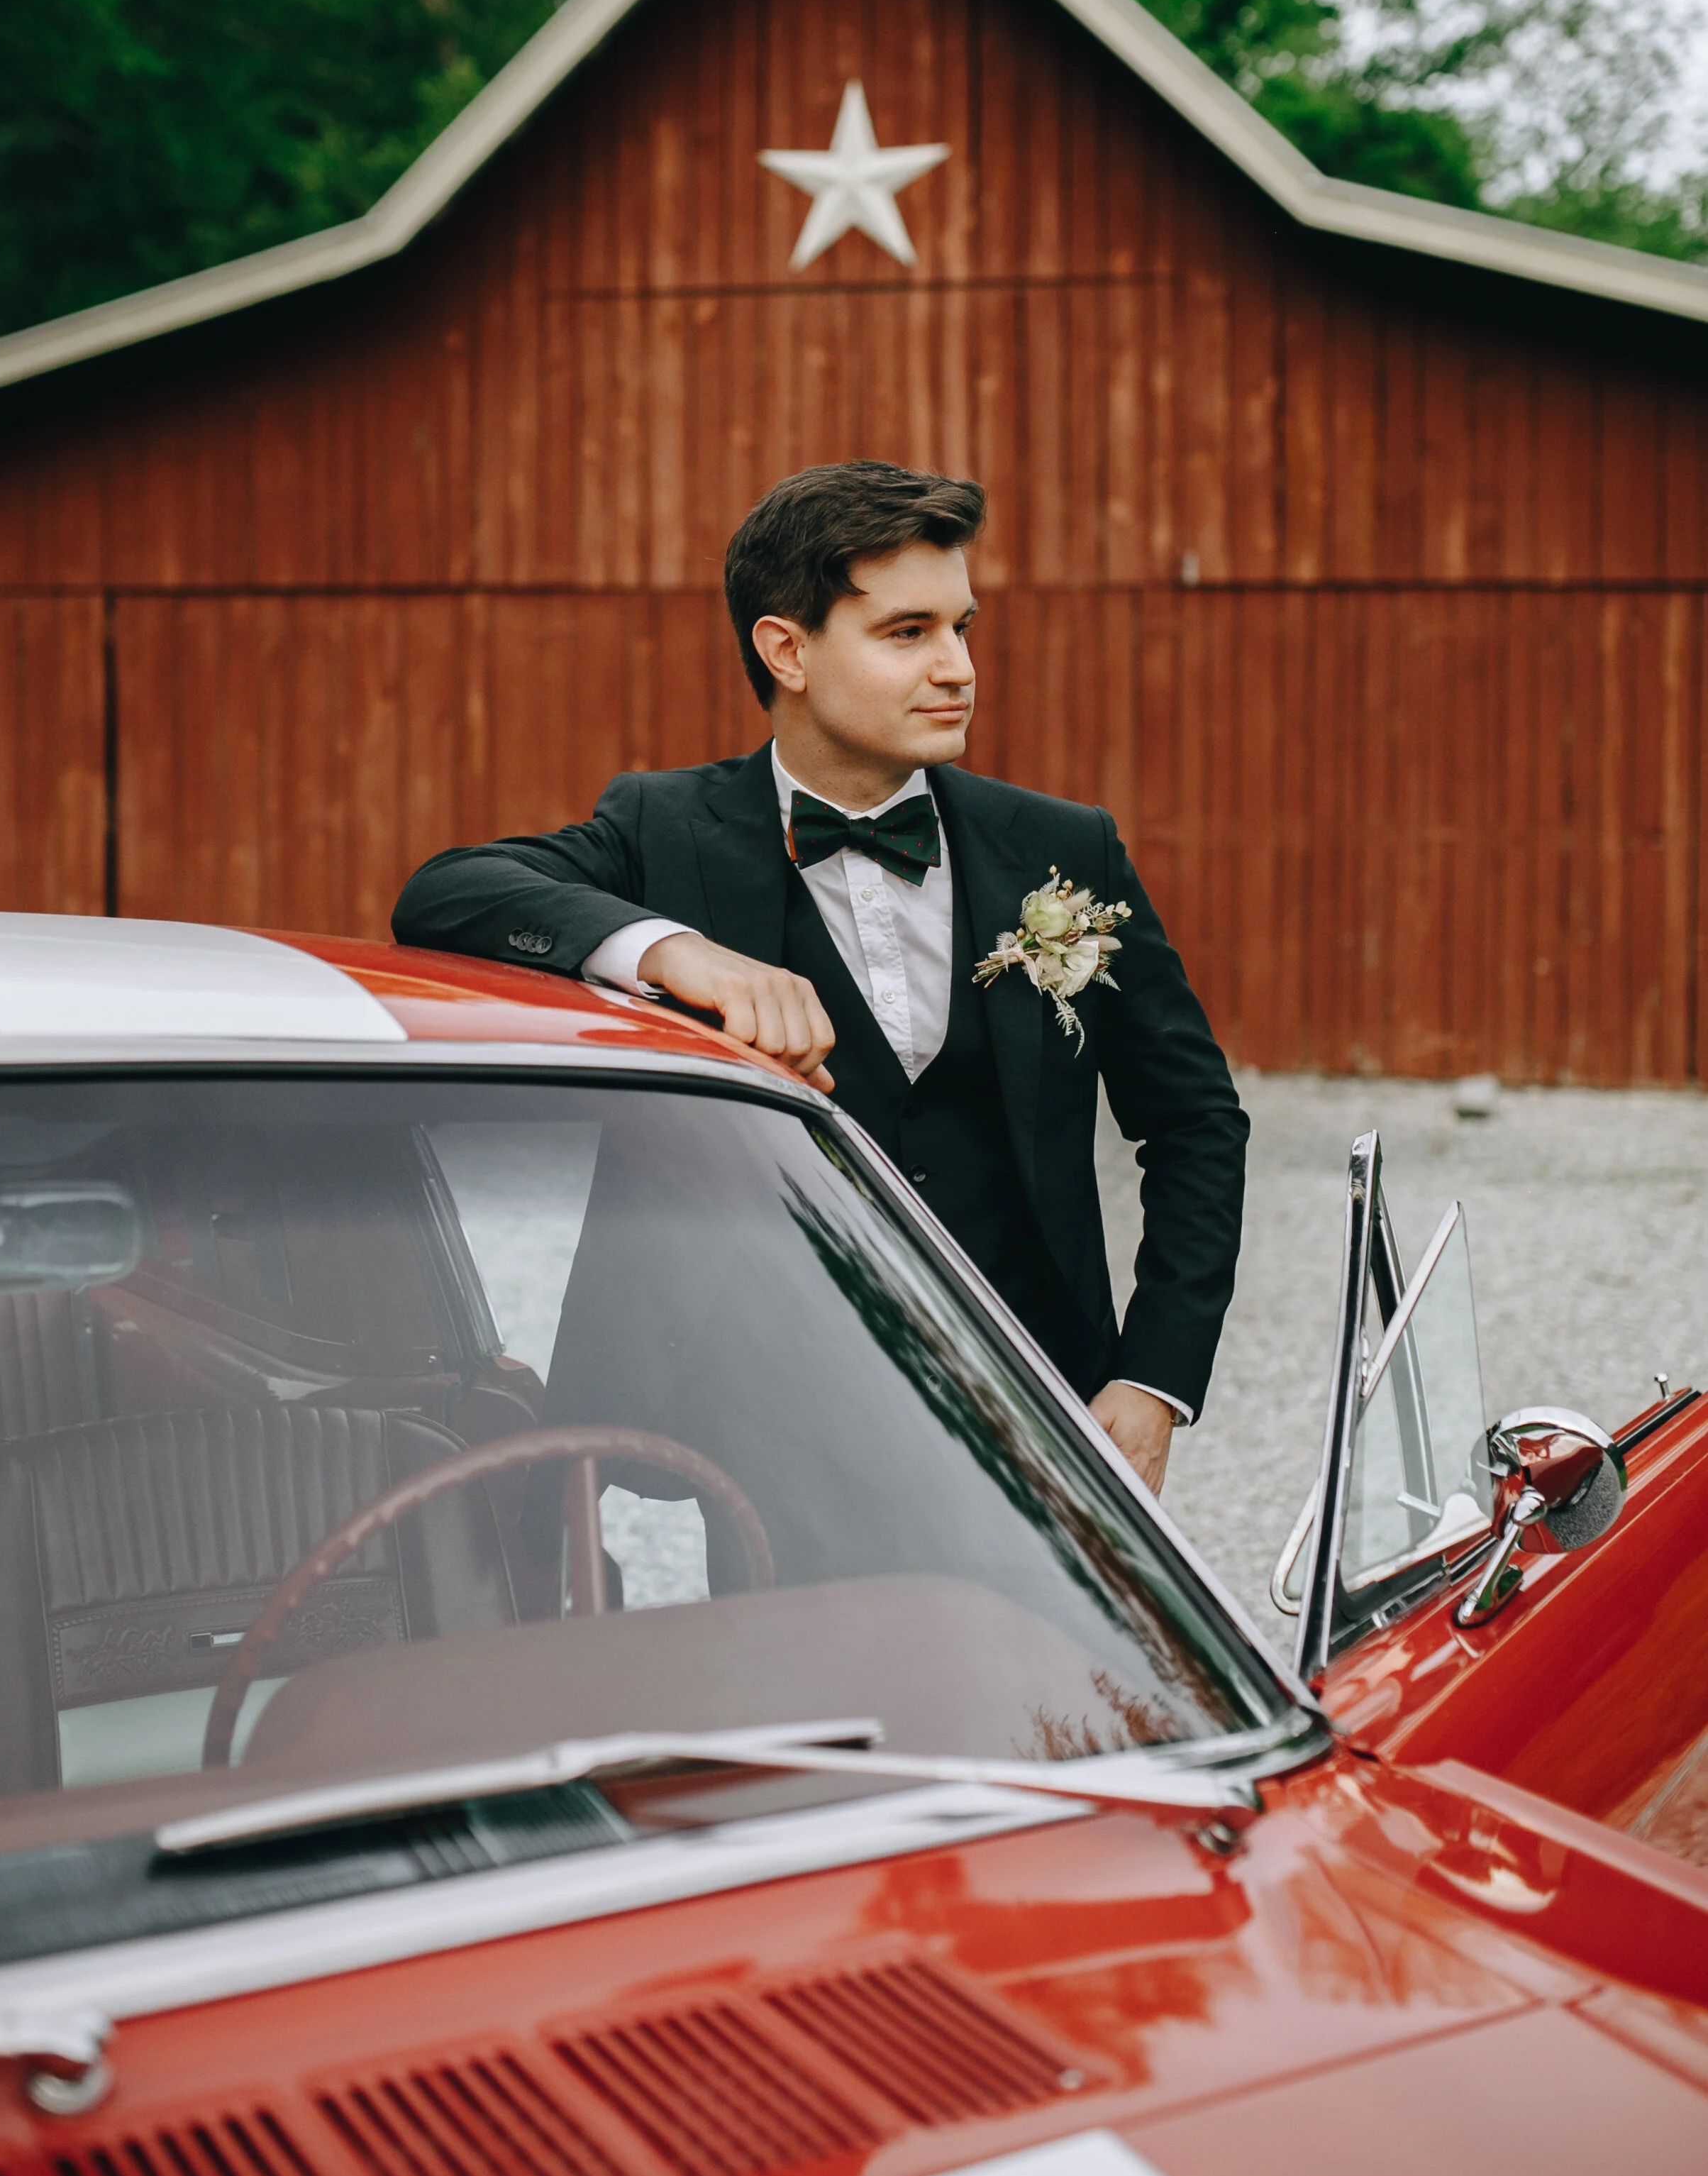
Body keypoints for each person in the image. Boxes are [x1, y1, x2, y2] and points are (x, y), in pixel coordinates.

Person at [392, 460, 1247, 1493]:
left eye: (962, 627)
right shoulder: (667, 830)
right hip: (762, 1421)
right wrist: (673, 952)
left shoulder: (1064, 851)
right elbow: (448, 892)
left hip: (1035, 1394)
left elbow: (1196, 1122)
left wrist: (1154, 1381)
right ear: (786, 650)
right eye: (907, 633)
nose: (959, 666)